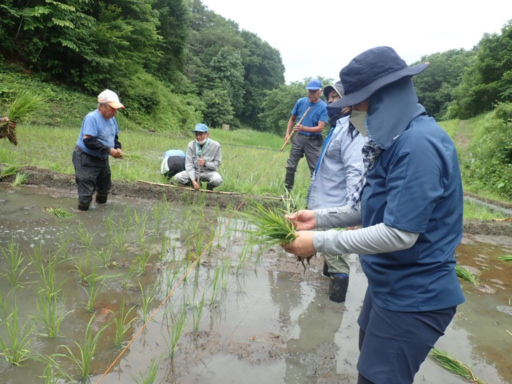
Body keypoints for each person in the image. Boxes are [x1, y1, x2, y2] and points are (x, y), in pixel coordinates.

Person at [282, 47, 465, 384]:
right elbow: (374, 207)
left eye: (358, 106)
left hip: (415, 295)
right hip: (388, 286)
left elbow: (399, 233)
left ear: (385, 97)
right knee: (370, 370)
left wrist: (319, 242)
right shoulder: (394, 142)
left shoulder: (418, 145)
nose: (352, 114)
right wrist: (318, 218)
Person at [307, 81, 366, 303]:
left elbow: (355, 171)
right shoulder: (339, 126)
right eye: (330, 98)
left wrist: (353, 211)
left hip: (337, 204)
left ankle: (333, 309)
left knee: (337, 259)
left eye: (336, 98)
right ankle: (328, 282)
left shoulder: (353, 131)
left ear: (350, 102)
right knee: (329, 249)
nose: (331, 102)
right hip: (326, 200)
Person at [72, 89, 125, 211]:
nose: (114, 112)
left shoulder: (112, 119)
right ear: (101, 106)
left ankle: (101, 211)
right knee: (86, 190)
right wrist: (109, 151)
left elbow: (114, 137)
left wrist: (117, 148)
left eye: (116, 109)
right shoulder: (92, 118)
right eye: (112, 108)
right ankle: (83, 215)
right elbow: (89, 141)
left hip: (102, 157)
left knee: (104, 188)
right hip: (86, 158)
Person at [283, 79, 329, 193]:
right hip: (298, 138)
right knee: (290, 166)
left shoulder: (323, 107)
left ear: (320, 92)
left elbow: (320, 128)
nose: (311, 93)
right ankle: (287, 191)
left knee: (315, 170)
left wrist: (304, 128)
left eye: (314, 91)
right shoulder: (300, 102)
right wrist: (287, 134)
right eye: (309, 91)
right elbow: (292, 119)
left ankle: (315, 195)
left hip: (313, 141)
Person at [174, 123, 223, 191]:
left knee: (217, 180)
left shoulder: (216, 146)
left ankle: (209, 186)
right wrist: (193, 180)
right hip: (195, 172)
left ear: (207, 134)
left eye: (201, 134)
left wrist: (205, 163)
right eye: (196, 134)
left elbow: (217, 164)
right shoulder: (191, 145)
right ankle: (192, 184)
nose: (198, 137)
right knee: (177, 177)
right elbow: (189, 165)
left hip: (209, 172)